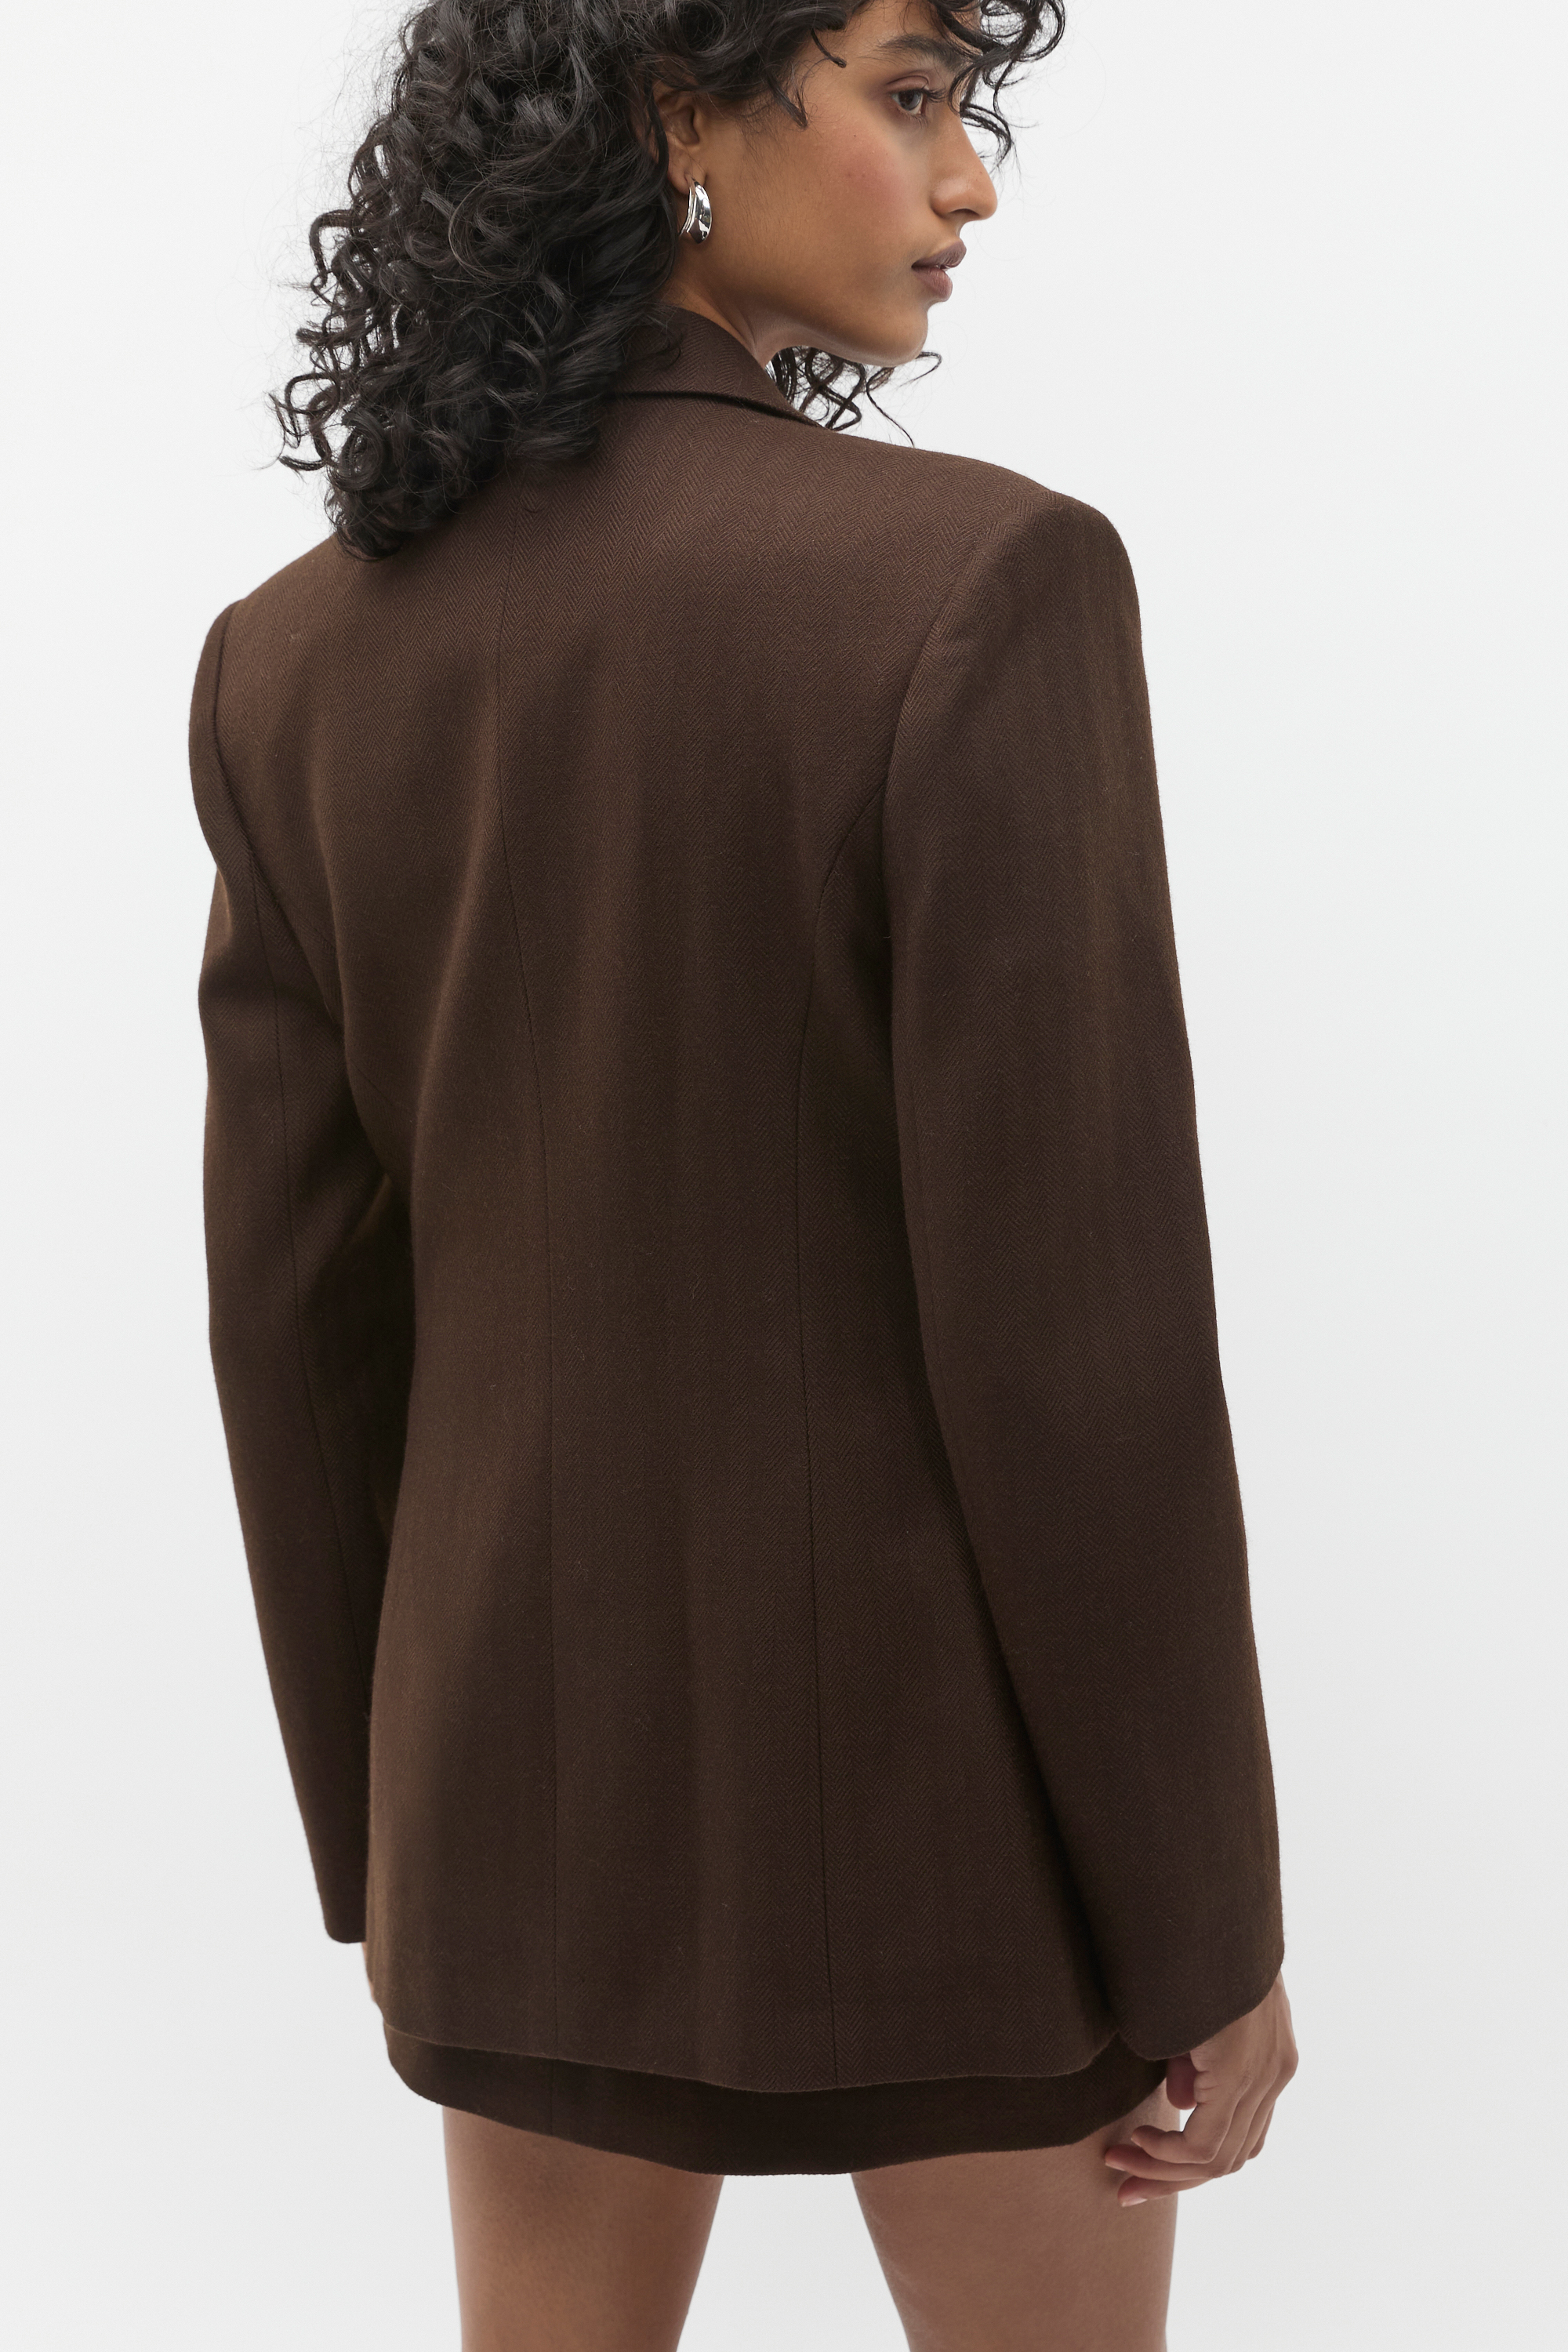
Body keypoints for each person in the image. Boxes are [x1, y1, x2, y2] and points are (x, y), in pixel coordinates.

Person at [190, 1, 1297, 2344]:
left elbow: (295, 1324)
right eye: (911, 95)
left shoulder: (290, 661)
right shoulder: (978, 583)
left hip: (519, 1828)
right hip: (963, 1845)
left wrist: (398, 1850)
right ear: (674, 112)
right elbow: (1076, 1346)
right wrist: (1207, 1926)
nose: (969, 180)